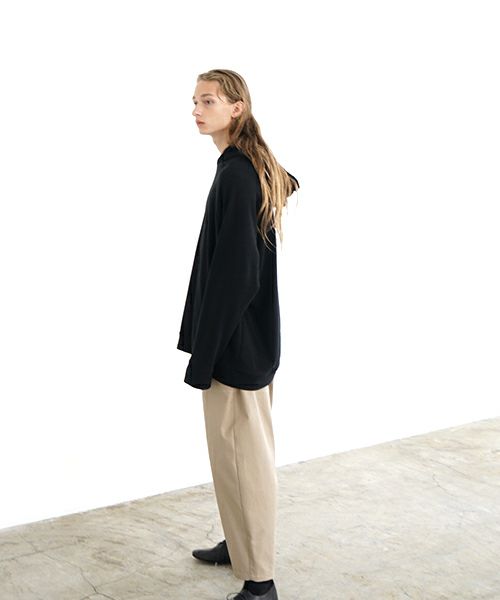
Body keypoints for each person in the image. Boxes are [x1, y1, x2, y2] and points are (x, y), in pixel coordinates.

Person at [177, 68, 299, 600]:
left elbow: (236, 277)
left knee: (244, 463)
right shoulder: (247, 164)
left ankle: (260, 582)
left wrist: (204, 354)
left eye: (208, 101)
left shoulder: (238, 173)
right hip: (252, 340)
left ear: (237, 108)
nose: (196, 110)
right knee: (235, 459)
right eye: (195, 101)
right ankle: (238, 540)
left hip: (234, 346)